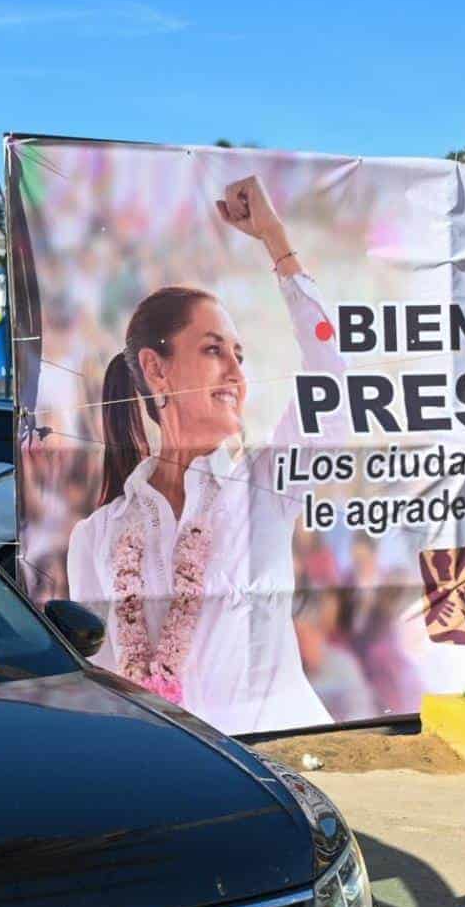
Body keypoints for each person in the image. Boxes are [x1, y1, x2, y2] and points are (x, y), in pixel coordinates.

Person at [66, 176, 344, 734]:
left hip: (281, 758)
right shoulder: (96, 536)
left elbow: (333, 380)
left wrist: (275, 240)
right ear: (154, 368)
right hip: (170, 770)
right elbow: (97, 676)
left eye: (240, 356)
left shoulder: (268, 484)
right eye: (214, 351)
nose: (238, 375)